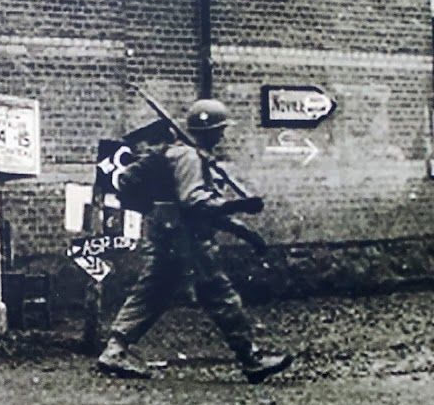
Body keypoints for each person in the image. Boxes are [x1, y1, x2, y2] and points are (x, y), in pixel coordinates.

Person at [96, 98, 293, 384]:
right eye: (220, 130)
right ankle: (251, 359)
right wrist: (239, 206)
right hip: (186, 240)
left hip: (169, 235)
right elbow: (196, 204)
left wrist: (246, 233)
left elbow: (201, 208)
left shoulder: (184, 154)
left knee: (152, 293)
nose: (222, 135)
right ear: (210, 131)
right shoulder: (188, 157)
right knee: (220, 294)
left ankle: (115, 350)